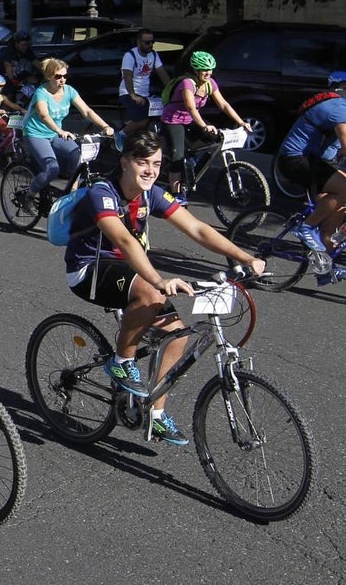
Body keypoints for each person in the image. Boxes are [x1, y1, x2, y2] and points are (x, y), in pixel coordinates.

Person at [63, 130, 266, 444]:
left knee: (177, 336)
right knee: (152, 291)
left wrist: (244, 256)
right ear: (124, 162)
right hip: (89, 269)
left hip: (131, 273)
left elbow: (196, 227)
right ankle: (121, 362)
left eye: (156, 163)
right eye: (142, 162)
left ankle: (155, 415)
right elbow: (125, 241)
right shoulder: (102, 193)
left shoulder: (152, 194)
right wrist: (158, 280)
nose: (150, 170)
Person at [276, 71, 346, 284]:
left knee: (336, 211)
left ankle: (325, 268)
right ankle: (305, 227)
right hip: (295, 160)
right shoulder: (338, 107)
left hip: (314, 161)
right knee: (344, 188)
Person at [160, 51, 251, 204]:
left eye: (210, 70)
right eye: (204, 70)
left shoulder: (210, 83)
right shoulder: (187, 83)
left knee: (214, 138)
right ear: (195, 70)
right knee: (177, 159)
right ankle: (177, 196)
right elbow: (190, 107)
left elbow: (223, 104)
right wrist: (204, 126)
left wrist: (241, 122)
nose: (208, 73)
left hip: (191, 119)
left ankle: (190, 156)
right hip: (173, 120)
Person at [21, 58, 114, 203]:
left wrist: (105, 126)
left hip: (54, 133)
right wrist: (60, 131)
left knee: (77, 156)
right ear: (49, 77)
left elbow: (87, 111)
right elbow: (44, 115)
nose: (62, 79)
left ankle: (72, 191)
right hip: (35, 134)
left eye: (65, 76)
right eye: (58, 76)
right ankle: (28, 196)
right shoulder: (41, 92)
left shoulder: (69, 91)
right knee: (51, 169)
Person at [114, 28, 171, 150]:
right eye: (147, 43)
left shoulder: (153, 55)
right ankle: (121, 134)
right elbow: (128, 76)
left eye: (152, 42)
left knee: (160, 115)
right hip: (128, 93)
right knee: (143, 120)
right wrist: (133, 95)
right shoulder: (130, 55)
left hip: (145, 95)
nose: (150, 45)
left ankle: (137, 135)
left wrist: (172, 89)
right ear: (138, 42)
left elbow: (162, 73)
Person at [1, 30, 42, 99]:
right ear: (16, 44)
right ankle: (5, 108)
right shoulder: (9, 51)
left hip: (18, 73)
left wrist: (48, 72)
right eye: (22, 45)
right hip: (5, 75)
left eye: (26, 45)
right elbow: (8, 67)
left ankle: (22, 103)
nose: (25, 47)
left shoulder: (26, 50)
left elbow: (37, 63)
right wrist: (14, 82)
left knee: (35, 81)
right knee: (9, 94)